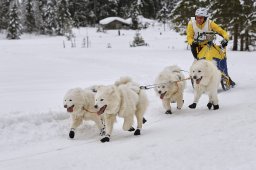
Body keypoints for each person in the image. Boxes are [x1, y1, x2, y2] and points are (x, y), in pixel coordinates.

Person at [186, 7, 235, 87]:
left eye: (201, 18)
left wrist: (226, 39)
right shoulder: (191, 24)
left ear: (205, 18)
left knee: (218, 58)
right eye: (197, 17)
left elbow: (222, 32)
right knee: (197, 62)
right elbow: (189, 37)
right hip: (196, 47)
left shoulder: (210, 23)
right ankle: (197, 76)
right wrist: (192, 42)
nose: (198, 19)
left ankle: (225, 76)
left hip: (208, 45)